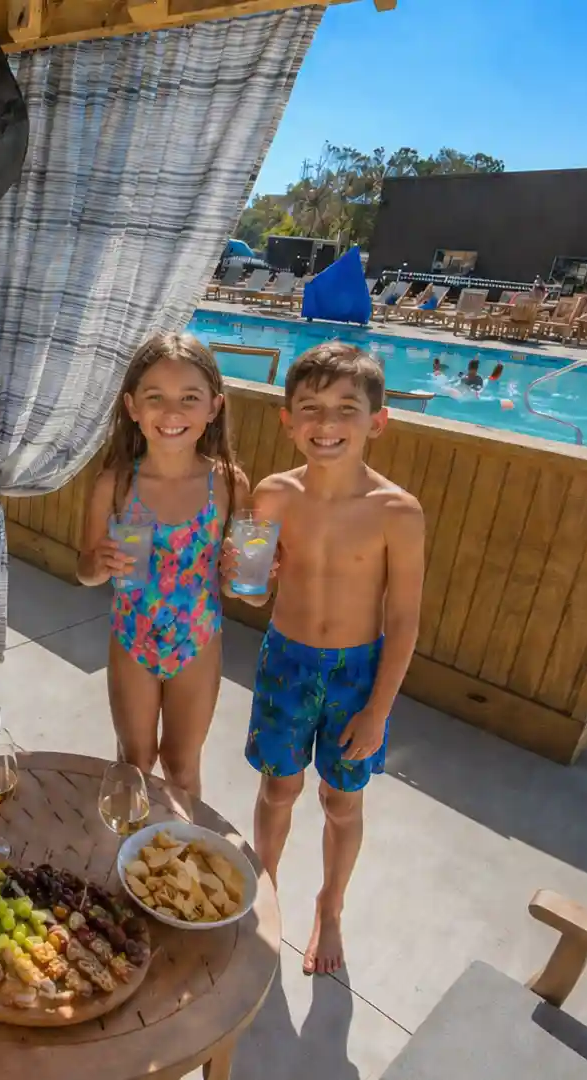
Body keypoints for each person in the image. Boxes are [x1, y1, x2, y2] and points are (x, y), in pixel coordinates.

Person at [226, 342, 425, 976]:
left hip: (358, 674)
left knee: (343, 800)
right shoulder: (273, 495)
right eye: (309, 408)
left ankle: (330, 907)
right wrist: (239, 578)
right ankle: (267, 888)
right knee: (278, 787)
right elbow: (251, 593)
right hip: (286, 658)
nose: (326, 424)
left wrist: (378, 711)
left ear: (377, 422)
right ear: (287, 420)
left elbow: (403, 619)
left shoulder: (398, 511)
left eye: (346, 409)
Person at [78, 331, 247, 804]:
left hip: (198, 640)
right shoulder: (117, 481)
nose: (172, 413)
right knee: (134, 762)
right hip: (133, 637)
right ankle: (126, 859)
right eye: (156, 398)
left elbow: (238, 587)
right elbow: (85, 570)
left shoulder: (228, 484)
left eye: (189, 398)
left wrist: (246, 576)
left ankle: (176, 863)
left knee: (182, 768)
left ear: (213, 407)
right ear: (133, 406)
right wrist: (100, 562)